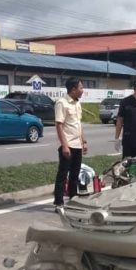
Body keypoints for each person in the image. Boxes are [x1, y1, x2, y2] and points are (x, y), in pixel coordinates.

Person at [53, 77, 87, 211]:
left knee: (75, 175)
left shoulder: (77, 104)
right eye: (81, 88)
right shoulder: (62, 103)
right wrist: (65, 146)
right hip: (68, 145)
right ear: (73, 89)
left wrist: (84, 141)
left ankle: (73, 200)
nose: (82, 90)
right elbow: (59, 125)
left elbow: (78, 125)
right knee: (62, 175)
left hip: (77, 145)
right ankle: (58, 203)